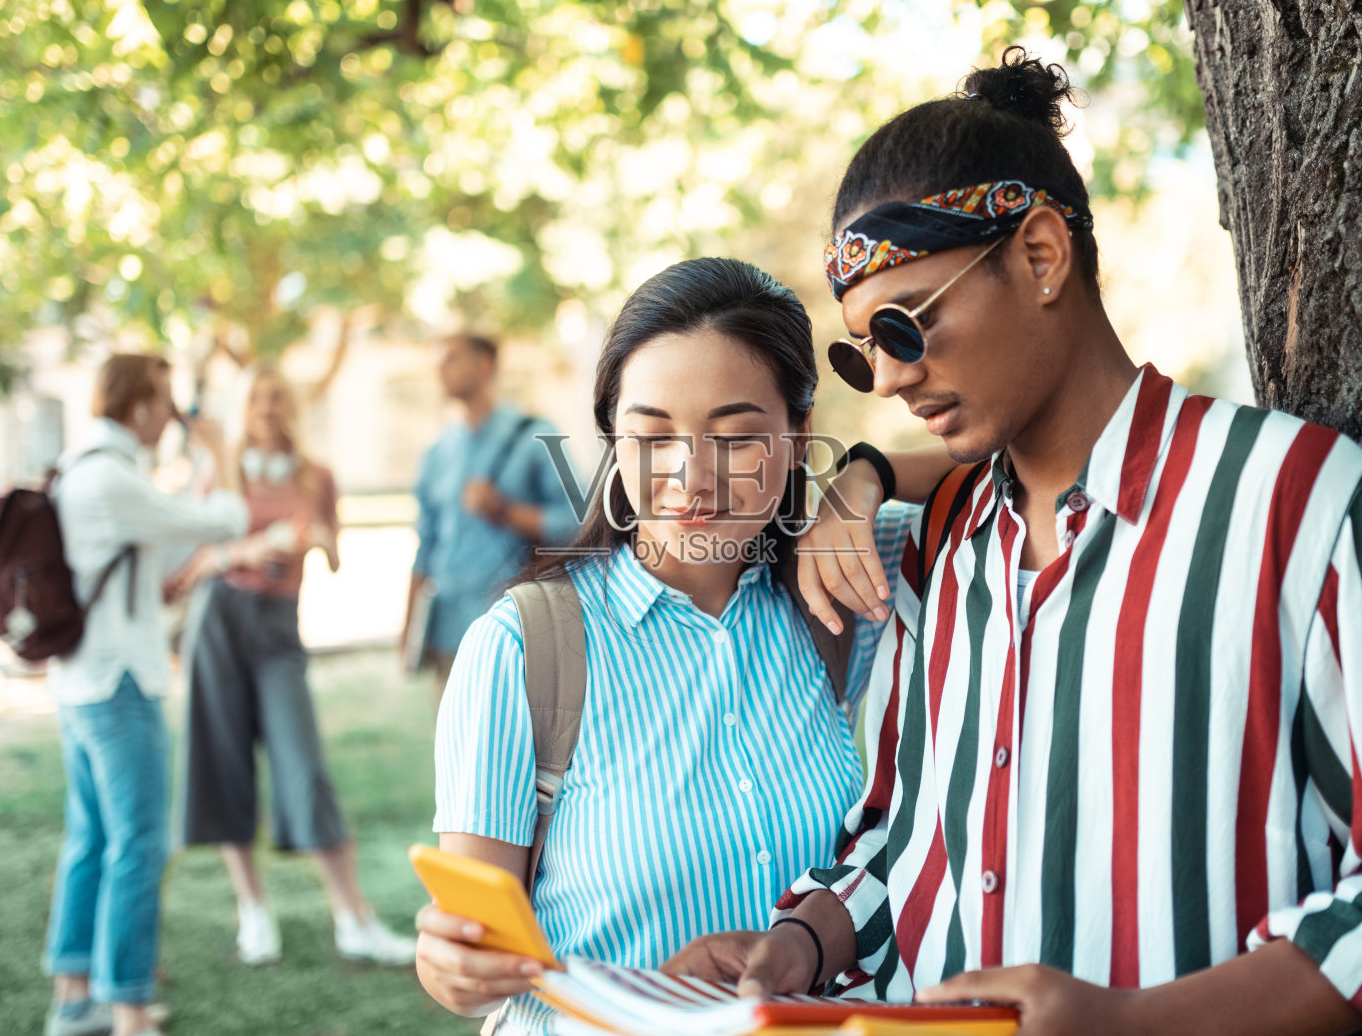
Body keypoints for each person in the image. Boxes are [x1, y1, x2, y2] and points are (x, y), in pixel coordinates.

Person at [667, 50, 1362, 1036]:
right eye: (863, 351)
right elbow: (903, 835)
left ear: (1039, 256)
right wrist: (801, 941)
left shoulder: (1289, 501)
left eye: (902, 326)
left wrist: (1137, 1020)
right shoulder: (942, 547)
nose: (886, 381)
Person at [410, 259, 927, 1034]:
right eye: (652, 434)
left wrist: (864, 476)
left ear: (797, 436)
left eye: (737, 434)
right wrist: (452, 968)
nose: (691, 477)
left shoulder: (844, 578)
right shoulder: (523, 647)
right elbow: (475, 954)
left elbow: (1014, 457)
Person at [170, 364, 416, 968]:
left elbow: (334, 555)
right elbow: (190, 562)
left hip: (280, 629)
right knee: (225, 764)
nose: (268, 408)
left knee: (305, 768)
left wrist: (314, 539)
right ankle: (253, 912)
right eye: (257, 398)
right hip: (220, 620)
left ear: (292, 409)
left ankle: (353, 918)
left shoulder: (317, 476)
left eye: (278, 398)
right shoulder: (218, 471)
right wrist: (247, 550)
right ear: (245, 406)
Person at [43, 353, 249, 1036]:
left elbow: (163, 555)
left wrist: (196, 472)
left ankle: (76, 995)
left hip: (83, 680)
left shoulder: (89, 468)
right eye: (163, 401)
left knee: (92, 836)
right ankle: (129, 1010)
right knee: (138, 844)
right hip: (118, 682)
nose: (170, 415)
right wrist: (217, 448)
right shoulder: (109, 477)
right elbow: (224, 521)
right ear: (138, 407)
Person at [400, 334, 579, 704]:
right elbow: (426, 545)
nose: (440, 368)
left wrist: (505, 512)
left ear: (485, 364)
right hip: (449, 630)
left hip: (521, 628)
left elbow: (583, 520)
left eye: (451, 357)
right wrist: (408, 629)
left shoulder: (541, 432)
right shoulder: (436, 452)